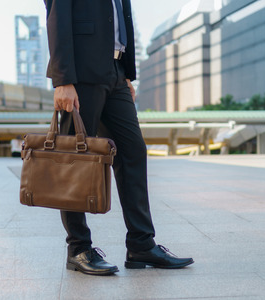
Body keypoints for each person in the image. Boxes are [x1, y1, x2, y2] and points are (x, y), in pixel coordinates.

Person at [44, 0, 193, 276]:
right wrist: (62, 80)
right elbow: (57, 17)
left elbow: (119, 18)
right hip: (81, 74)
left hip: (115, 72)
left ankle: (141, 244)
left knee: (132, 152)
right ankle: (78, 247)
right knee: (73, 160)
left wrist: (126, 73)